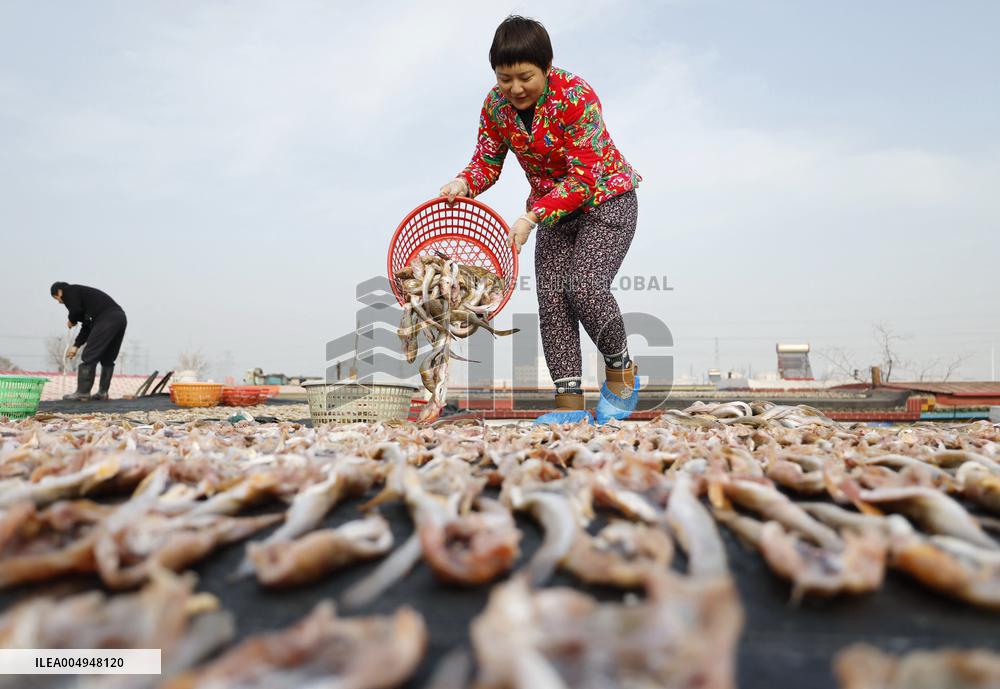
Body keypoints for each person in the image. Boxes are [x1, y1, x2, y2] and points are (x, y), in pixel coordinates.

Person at [440, 15, 642, 425]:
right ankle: (569, 406)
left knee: (584, 287)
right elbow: (488, 161)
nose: (514, 88)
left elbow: (584, 177)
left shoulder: (576, 96)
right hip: (551, 211)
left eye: (525, 77)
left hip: (606, 199)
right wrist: (464, 182)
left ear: (547, 68)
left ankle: (622, 372)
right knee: (551, 301)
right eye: (504, 78)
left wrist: (532, 216)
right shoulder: (495, 106)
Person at [50, 282, 128, 401]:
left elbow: (75, 310)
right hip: (119, 318)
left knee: (89, 355)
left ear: (59, 292)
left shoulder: (70, 291)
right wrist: (76, 346)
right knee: (107, 358)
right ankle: (103, 393)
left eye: (57, 298)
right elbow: (87, 327)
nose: (60, 302)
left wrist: (71, 320)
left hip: (106, 318)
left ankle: (82, 392)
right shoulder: (86, 304)